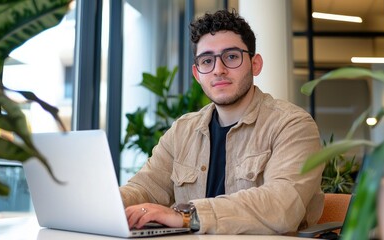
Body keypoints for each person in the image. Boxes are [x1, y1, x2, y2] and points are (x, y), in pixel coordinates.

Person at [120, 9, 324, 235]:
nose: (219, 70)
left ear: (255, 64)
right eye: (207, 61)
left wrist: (187, 215)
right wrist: (109, 203)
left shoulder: (293, 125)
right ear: (198, 74)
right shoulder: (182, 131)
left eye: (232, 56)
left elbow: (282, 204)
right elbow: (143, 188)